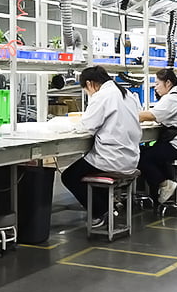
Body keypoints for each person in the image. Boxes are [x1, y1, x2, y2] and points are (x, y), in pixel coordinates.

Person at [60, 66, 141, 228]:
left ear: (90, 84)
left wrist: (66, 127)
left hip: (111, 158)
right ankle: (108, 207)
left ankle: (101, 211)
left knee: (69, 176)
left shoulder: (103, 95)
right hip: (130, 157)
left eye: (86, 90)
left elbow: (87, 126)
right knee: (85, 167)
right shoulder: (126, 94)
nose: (88, 94)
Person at [137, 69, 177, 204]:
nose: (155, 87)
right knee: (150, 152)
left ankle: (164, 184)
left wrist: (128, 114)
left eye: (157, 84)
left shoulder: (172, 98)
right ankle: (163, 188)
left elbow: (151, 115)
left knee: (142, 156)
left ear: (168, 83)